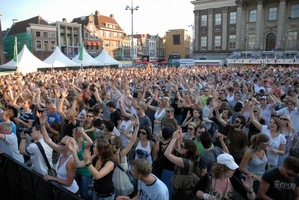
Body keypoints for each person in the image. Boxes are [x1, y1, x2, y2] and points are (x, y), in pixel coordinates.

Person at [40, 112, 79, 195]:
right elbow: (47, 140)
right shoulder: (62, 150)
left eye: (62, 143)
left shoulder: (70, 161)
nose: (59, 144)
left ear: (68, 147)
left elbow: (69, 182)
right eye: (60, 142)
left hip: (71, 193)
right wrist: (42, 125)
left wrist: (54, 178)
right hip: (62, 190)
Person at [164, 128, 199, 200]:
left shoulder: (186, 162)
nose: (180, 147)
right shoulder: (187, 156)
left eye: (182, 146)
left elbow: (167, 154)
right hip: (180, 191)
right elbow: (177, 147)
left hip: (182, 194)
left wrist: (174, 138)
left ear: (188, 150)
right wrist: (178, 138)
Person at [112, 115, 139, 197]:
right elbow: (133, 141)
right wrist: (137, 127)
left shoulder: (110, 153)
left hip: (114, 179)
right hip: (122, 181)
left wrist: (131, 124)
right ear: (121, 145)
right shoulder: (122, 154)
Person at [72, 126, 93, 200]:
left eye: (73, 133)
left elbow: (91, 142)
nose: (72, 135)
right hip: (77, 171)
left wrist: (83, 133)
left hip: (85, 172)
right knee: (78, 190)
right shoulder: (75, 143)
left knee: (84, 192)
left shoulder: (84, 143)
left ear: (78, 134)